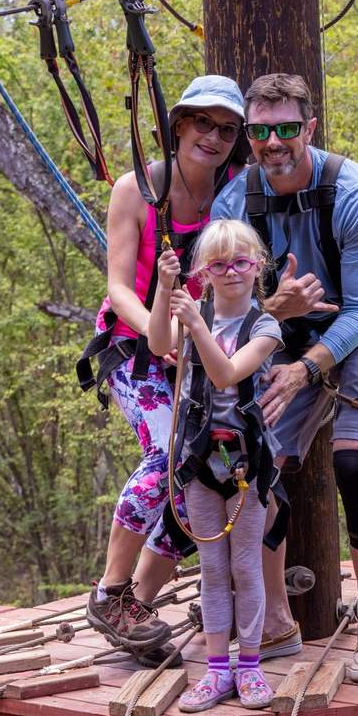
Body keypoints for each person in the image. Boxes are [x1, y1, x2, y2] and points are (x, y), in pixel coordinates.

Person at [210, 73, 358, 683]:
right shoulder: (234, 203)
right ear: (249, 134)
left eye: (287, 129)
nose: (274, 143)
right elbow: (227, 301)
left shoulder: (354, 192)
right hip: (281, 332)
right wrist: (275, 313)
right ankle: (273, 620)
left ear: (310, 128)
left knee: (354, 463)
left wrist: (306, 370)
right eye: (261, 131)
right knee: (251, 464)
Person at [77, 75, 247, 664]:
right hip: (133, 347)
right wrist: (164, 334)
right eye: (203, 123)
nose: (214, 138)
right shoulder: (138, 189)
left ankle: (137, 607)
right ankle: (110, 591)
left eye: (227, 130)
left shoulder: (233, 194)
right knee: (170, 448)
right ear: (179, 126)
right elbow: (119, 287)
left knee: (208, 469)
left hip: (199, 347)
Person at [148, 219, 283, 711]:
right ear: (204, 273)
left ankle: (249, 665)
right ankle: (216, 669)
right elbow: (156, 340)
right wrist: (166, 291)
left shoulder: (265, 327)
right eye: (220, 265)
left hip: (247, 464)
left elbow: (226, 374)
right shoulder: (192, 314)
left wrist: (198, 326)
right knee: (211, 567)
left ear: (258, 268)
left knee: (245, 567)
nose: (231, 273)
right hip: (199, 461)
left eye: (242, 263)